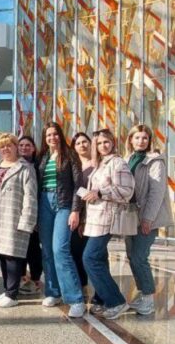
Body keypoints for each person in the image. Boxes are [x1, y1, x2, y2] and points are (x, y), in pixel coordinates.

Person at [0, 133, 38, 308]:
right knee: (1, 254)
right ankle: (7, 289)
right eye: (2, 146)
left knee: (13, 256)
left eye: (9, 145)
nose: (5, 149)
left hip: (14, 218)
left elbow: (30, 198)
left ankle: (12, 294)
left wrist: (27, 221)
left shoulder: (25, 168)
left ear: (15, 147)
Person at [82, 129, 135, 319]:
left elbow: (126, 190)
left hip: (107, 218)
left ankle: (116, 301)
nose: (103, 146)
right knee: (100, 258)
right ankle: (102, 299)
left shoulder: (117, 163)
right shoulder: (101, 163)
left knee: (90, 258)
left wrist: (100, 193)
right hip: (96, 218)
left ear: (113, 142)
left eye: (106, 142)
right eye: (99, 143)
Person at [124, 123, 173, 315]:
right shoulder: (128, 159)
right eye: (137, 137)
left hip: (146, 217)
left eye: (145, 138)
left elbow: (157, 193)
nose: (141, 141)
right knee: (131, 256)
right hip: (130, 216)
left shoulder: (155, 161)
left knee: (139, 257)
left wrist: (148, 219)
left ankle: (149, 299)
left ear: (150, 140)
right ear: (130, 140)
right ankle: (143, 294)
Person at [37, 121, 85, 318]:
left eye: (55, 134)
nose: (52, 138)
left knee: (60, 249)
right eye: (48, 135)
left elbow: (79, 185)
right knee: (47, 250)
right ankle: (53, 292)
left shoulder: (70, 155)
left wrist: (76, 210)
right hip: (44, 203)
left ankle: (76, 299)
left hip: (64, 204)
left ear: (61, 135)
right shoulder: (43, 157)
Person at [69, 132, 94, 296]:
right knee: (76, 252)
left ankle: (100, 293)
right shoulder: (74, 165)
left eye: (85, 142)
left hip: (94, 215)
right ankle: (82, 285)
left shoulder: (98, 164)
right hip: (76, 214)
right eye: (78, 143)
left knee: (93, 255)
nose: (82, 145)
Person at [17, 135, 43, 294]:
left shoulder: (39, 165)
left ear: (33, 148)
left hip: (36, 211)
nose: (24, 148)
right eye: (21, 145)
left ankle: (35, 279)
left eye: (28, 145)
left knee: (33, 248)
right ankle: (22, 278)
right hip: (18, 213)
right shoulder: (15, 164)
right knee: (20, 249)